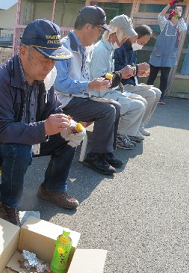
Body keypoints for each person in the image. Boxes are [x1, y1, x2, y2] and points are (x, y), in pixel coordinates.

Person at [0, 19, 85, 225]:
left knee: (69, 139)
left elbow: (53, 109)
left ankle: (53, 188)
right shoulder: (0, 79)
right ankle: (8, 203)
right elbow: (1, 130)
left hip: (30, 134)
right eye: (43, 59)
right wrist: (44, 128)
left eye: (53, 60)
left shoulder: (45, 75)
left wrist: (66, 125)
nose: (49, 66)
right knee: (19, 149)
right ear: (23, 52)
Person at [54, 6, 123, 175]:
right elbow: (60, 85)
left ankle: (105, 152)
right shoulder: (63, 48)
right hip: (63, 101)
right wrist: (90, 85)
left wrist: (97, 84)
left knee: (116, 106)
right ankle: (95, 156)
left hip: (79, 97)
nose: (99, 35)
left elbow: (84, 79)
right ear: (88, 27)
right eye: (99, 30)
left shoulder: (85, 47)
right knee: (107, 111)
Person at [89, 14, 146, 148]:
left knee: (141, 101)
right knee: (137, 106)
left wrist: (121, 76)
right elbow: (100, 82)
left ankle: (119, 134)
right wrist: (120, 74)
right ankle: (118, 135)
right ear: (114, 33)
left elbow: (108, 77)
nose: (125, 39)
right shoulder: (101, 50)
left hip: (108, 91)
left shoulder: (108, 49)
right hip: (99, 95)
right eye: (124, 35)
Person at [114, 25, 161, 136]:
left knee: (157, 92)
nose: (142, 45)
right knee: (150, 94)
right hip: (121, 85)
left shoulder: (133, 49)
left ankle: (140, 125)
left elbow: (131, 70)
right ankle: (132, 129)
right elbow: (116, 70)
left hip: (131, 83)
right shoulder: (120, 47)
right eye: (142, 42)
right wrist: (138, 68)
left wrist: (138, 73)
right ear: (134, 36)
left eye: (144, 43)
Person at [147, 1, 187, 105]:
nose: (177, 17)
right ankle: (147, 94)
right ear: (171, 16)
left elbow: (185, 28)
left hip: (169, 56)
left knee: (164, 77)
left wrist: (180, 14)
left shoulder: (179, 27)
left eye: (178, 16)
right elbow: (161, 15)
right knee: (152, 75)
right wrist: (170, 4)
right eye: (175, 15)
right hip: (158, 54)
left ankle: (161, 97)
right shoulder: (165, 24)